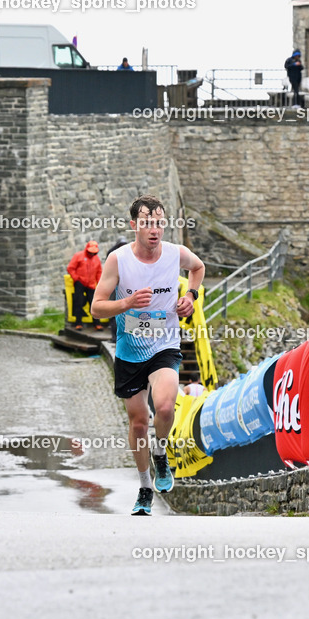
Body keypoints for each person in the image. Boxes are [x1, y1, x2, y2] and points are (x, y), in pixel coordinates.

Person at [91, 195, 205, 516]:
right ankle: (144, 486)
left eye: (159, 223)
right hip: (130, 348)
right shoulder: (118, 259)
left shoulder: (174, 254)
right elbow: (97, 308)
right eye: (146, 224)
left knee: (166, 405)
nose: (154, 230)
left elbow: (197, 267)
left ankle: (160, 453)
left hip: (164, 343)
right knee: (139, 422)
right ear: (134, 226)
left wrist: (190, 296)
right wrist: (125, 304)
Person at [67, 241, 103, 331]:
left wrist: (99, 284)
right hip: (80, 282)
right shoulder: (78, 256)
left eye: (94, 252)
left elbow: (99, 272)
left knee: (94, 303)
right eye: (90, 252)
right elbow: (70, 268)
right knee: (78, 302)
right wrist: (76, 278)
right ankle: (78, 323)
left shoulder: (96, 259)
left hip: (91, 284)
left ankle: (97, 323)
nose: (92, 254)